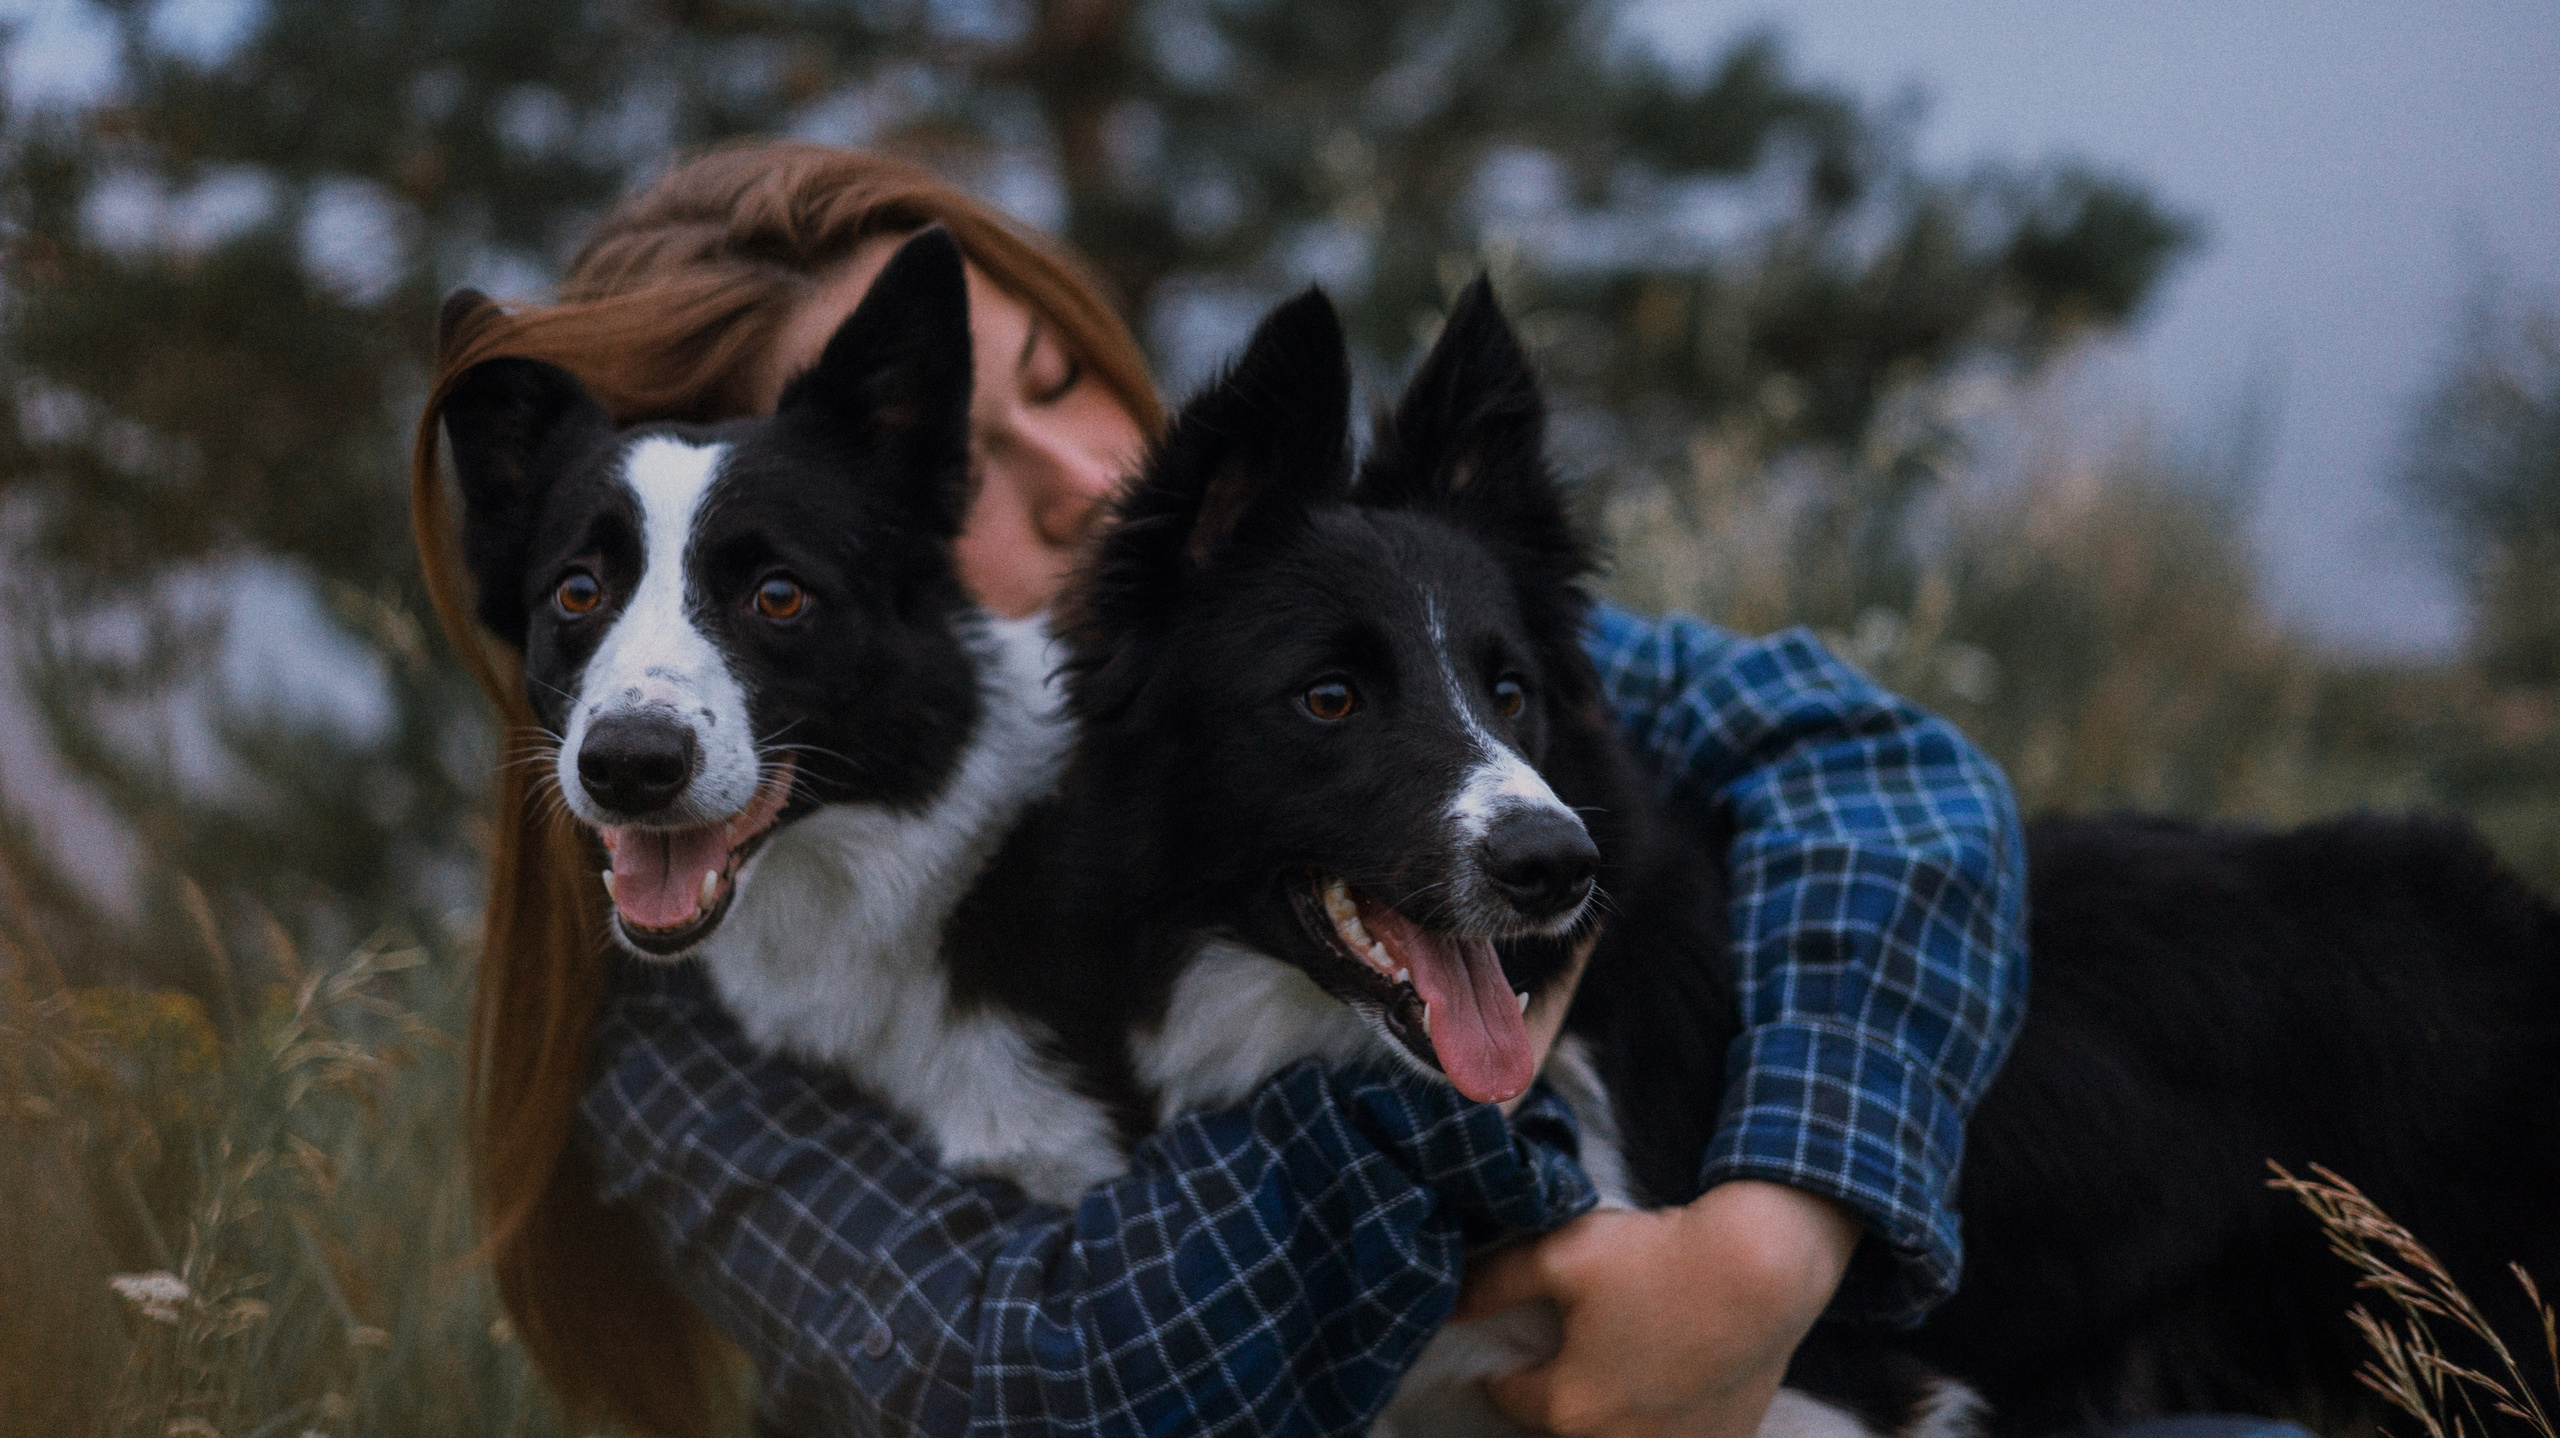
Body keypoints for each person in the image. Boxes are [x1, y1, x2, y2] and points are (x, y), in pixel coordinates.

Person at [409, 140, 2026, 1438]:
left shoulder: (1346, 627)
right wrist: (1414, 1086)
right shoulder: (693, 1051)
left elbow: (1884, 769)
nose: (1083, 477)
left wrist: (1765, 1244)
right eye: (960, 449)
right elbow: (1020, 1382)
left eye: (1053, 379)